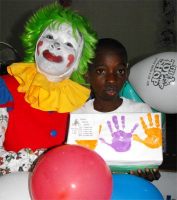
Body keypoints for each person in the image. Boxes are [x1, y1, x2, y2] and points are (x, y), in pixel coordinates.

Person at [0, 2, 97, 175]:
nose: (56, 45)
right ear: (36, 40)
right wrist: (45, 160)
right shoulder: (4, 87)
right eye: (50, 37)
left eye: (69, 44)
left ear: (77, 62)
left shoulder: (83, 101)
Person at [73, 38, 161, 181]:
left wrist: (147, 172)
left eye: (119, 71)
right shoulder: (77, 115)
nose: (112, 79)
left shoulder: (141, 113)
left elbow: (149, 164)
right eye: (101, 71)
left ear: (126, 73)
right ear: (87, 74)